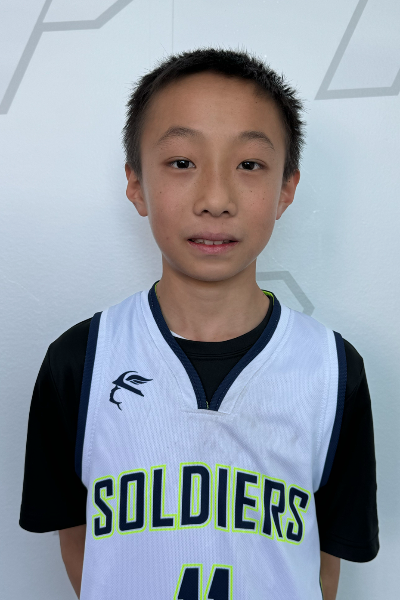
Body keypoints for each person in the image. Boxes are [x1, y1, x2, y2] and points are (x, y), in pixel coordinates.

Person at [19, 48, 379, 599]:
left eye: (249, 165)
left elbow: (325, 564)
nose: (215, 199)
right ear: (136, 182)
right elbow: (78, 541)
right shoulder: (80, 360)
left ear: (286, 188)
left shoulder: (332, 370)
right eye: (182, 162)